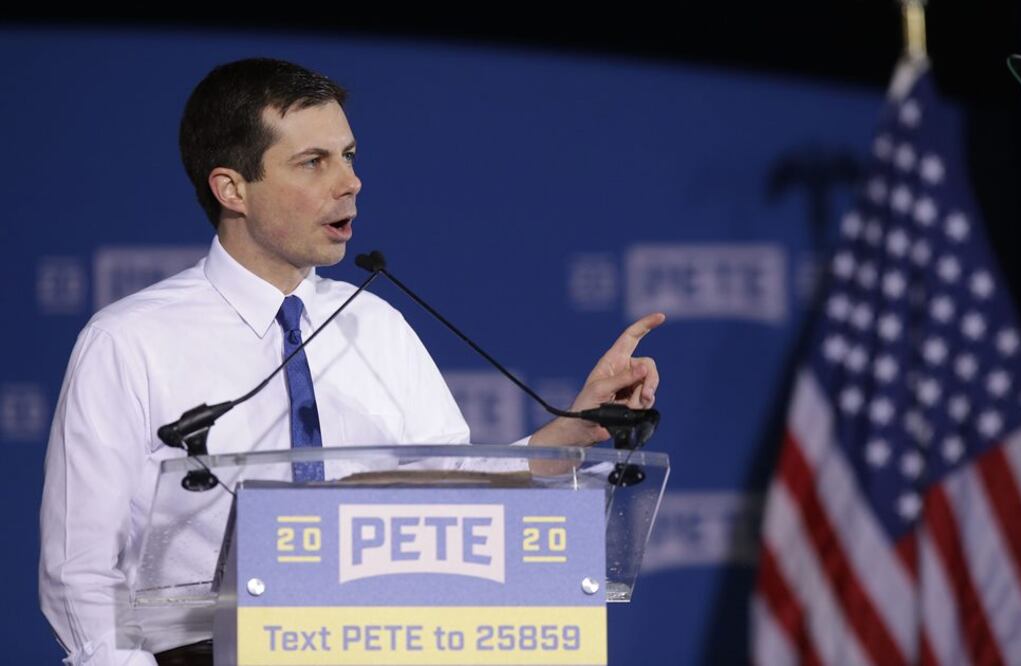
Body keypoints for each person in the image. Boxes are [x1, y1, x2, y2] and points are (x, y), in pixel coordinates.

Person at [39, 58, 663, 665]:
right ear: (232, 188)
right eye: (314, 162)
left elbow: (455, 490)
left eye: (349, 156)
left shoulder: (376, 323)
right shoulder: (130, 340)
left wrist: (573, 429)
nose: (350, 181)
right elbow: (78, 568)